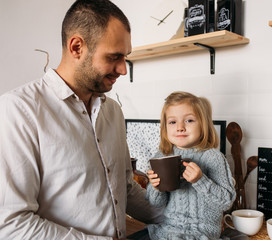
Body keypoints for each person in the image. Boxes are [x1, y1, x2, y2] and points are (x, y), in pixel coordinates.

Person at [0, 0, 163, 239]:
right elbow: (12, 224)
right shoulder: (18, 110)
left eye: (125, 57)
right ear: (76, 47)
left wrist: (189, 218)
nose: (123, 69)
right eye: (114, 57)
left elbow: (125, 191)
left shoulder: (114, 112)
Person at [146, 91, 236, 239]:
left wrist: (200, 181)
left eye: (189, 120)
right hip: (170, 228)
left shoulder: (213, 158)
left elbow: (226, 202)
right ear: (165, 127)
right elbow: (155, 202)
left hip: (203, 231)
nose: (180, 127)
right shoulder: (162, 156)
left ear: (203, 124)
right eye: (173, 122)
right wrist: (155, 187)